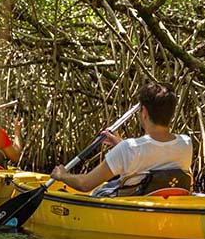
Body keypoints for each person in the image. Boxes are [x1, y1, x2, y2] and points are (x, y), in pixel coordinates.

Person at [51, 82, 192, 194]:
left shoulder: (128, 149)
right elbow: (155, 153)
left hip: (133, 206)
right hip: (164, 204)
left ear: (143, 112)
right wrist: (120, 144)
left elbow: (85, 184)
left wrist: (62, 175)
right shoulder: (186, 143)